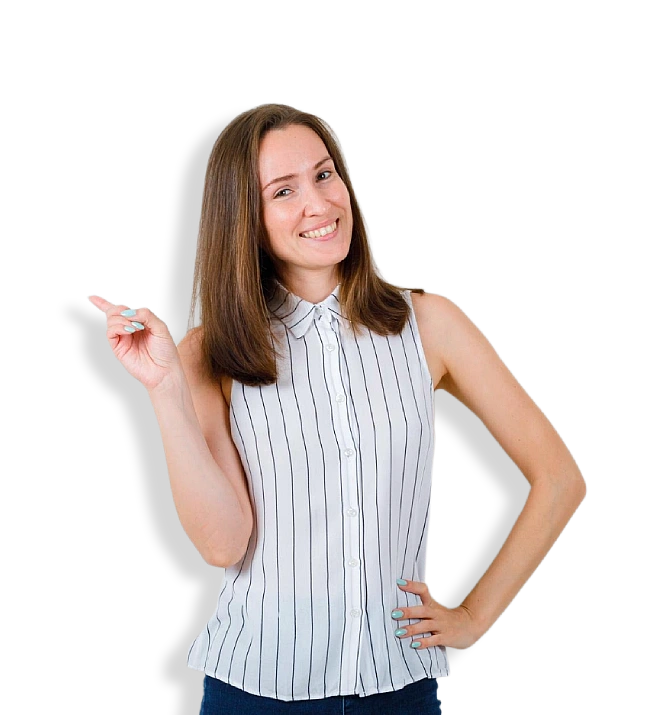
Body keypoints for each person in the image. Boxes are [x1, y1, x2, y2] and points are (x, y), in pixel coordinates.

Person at [86, 102, 587, 714]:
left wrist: (473, 618)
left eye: (325, 175)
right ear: (244, 218)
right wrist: (165, 389)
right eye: (283, 190)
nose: (320, 203)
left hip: (400, 687)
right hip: (255, 692)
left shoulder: (430, 325)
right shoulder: (208, 353)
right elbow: (223, 545)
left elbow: (559, 478)